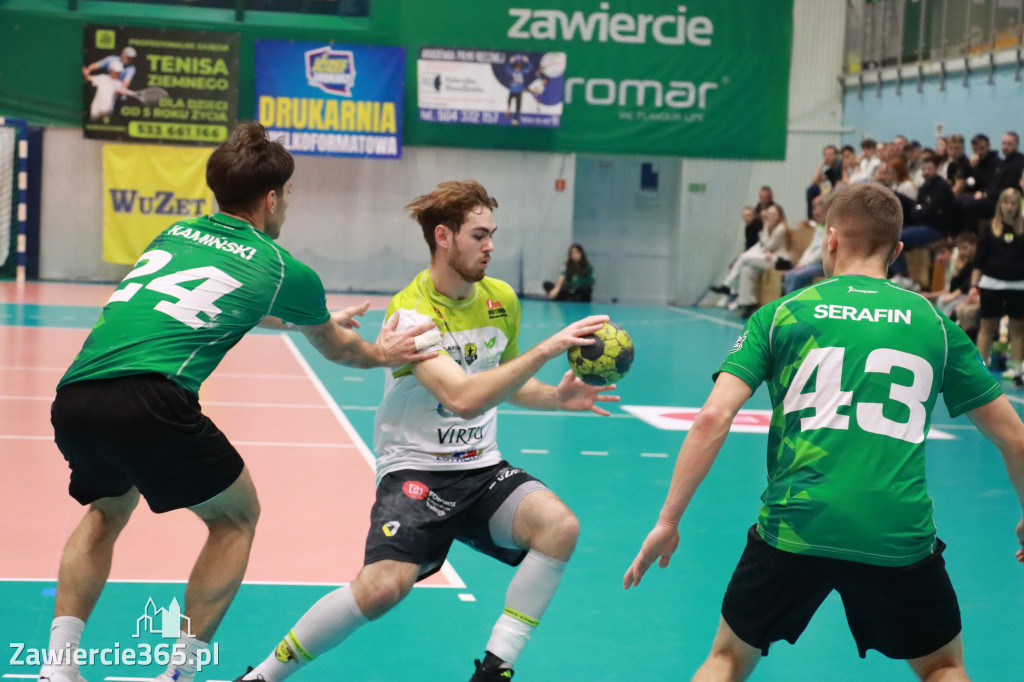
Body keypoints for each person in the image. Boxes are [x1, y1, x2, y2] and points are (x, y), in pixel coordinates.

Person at [41, 122, 436, 682]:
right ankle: (178, 674)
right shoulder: (279, 265)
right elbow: (342, 351)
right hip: (151, 398)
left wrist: (304, 323)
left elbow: (200, 301)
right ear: (272, 199)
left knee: (106, 509)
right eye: (289, 195)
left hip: (76, 395)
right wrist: (380, 350)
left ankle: (58, 667)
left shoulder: (176, 233)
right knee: (236, 517)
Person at [623, 183, 1024, 681]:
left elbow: (712, 417)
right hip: (896, 536)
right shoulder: (935, 324)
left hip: (795, 529)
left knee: (726, 658)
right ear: (898, 251)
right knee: (942, 666)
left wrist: (668, 521)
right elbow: (1016, 439)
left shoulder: (781, 314)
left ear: (830, 240)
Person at [233, 180, 618, 682]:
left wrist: (556, 397)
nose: (491, 246)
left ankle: (496, 667)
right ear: (443, 236)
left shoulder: (500, 299)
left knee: (560, 528)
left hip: (481, 468)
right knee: (381, 589)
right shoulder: (411, 314)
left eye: (492, 234)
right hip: (416, 469)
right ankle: (264, 675)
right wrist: (546, 350)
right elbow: (462, 398)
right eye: (479, 235)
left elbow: (498, 381)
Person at [967, 187, 1024, 381]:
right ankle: (981, 366)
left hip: (1018, 286)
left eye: (1013, 203)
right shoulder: (990, 226)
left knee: (1017, 327)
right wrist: (974, 286)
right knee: (987, 326)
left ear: (1018, 205)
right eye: (1006, 203)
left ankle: (1016, 367)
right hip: (992, 284)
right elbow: (979, 260)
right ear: (1001, 205)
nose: (1009, 207)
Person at [711, 204, 793, 317]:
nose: (770, 216)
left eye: (773, 214)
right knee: (746, 270)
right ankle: (748, 302)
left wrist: (764, 229)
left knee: (744, 257)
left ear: (779, 215)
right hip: (769, 258)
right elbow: (764, 247)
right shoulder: (771, 228)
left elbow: (767, 246)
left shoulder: (780, 229)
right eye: (769, 214)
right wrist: (766, 243)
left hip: (779, 262)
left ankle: (727, 285)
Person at [782, 196, 826, 294]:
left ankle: (793, 307)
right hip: (811, 263)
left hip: (823, 264)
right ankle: (788, 303)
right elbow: (811, 248)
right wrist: (801, 262)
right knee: (789, 274)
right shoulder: (819, 227)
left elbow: (822, 252)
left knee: (797, 276)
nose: (815, 215)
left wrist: (805, 264)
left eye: (818, 214)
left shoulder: (830, 227)